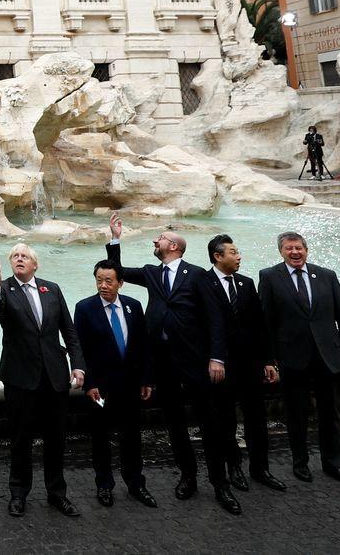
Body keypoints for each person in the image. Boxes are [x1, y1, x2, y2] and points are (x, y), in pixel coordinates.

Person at [106, 213, 240, 515]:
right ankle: (188, 475)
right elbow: (116, 271)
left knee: (209, 422)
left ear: (175, 247)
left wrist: (216, 357)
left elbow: (215, 318)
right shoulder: (152, 273)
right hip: (162, 361)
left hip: (195, 360)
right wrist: (116, 238)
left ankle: (220, 483)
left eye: (161, 239)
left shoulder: (197, 275)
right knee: (175, 423)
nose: (156, 241)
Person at [0, 244, 86, 518]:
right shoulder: (4, 288)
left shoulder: (51, 289)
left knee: (56, 438)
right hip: (20, 377)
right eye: (15, 256)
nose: (19, 259)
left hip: (54, 376)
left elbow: (69, 330)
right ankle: (18, 494)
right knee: (20, 439)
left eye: (24, 256)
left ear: (35, 264)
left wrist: (78, 365)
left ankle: (57, 494)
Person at [258, 231, 340, 485]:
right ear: (281, 252)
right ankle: (300, 463)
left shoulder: (327, 275)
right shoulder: (270, 277)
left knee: (330, 414)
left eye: (299, 248)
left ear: (306, 250)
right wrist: (269, 359)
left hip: (329, 357)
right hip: (293, 358)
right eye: (289, 248)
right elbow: (266, 322)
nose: (295, 252)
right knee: (297, 415)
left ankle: (333, 464)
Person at [204, 235, 286, 493]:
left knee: (256, 418)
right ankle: (234, 468)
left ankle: (260, 469)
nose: (239, 256)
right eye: (233, 252)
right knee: (225, 419)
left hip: (250, 364)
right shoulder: (202, 283)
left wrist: (269, 361)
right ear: (218, 256)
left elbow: (261, 326)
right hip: (221, 366)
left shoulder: (246, 283)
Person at [73, 260, 156, 509]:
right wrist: (89, 384)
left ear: (120, 282)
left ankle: (135, 483)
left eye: (109, 281)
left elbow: (143, 346)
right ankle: (104, 485)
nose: (103, 286)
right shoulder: (85, 308)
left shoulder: (133, 306)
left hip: (130, 386)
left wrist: (146, 379)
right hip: (100, 388)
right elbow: (80, 349)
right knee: (100, 434)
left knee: (131, 434)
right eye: (99, 280)